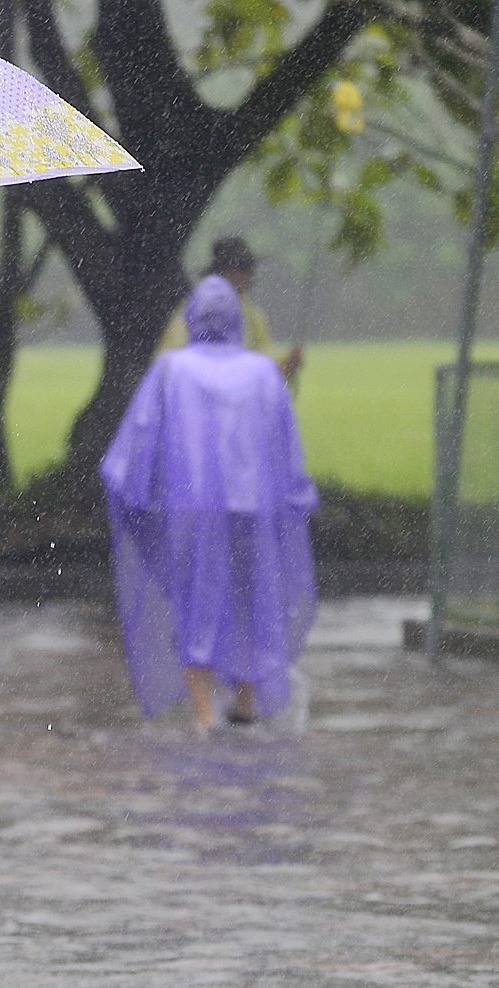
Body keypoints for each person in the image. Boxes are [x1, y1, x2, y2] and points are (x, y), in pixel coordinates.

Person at [101, 275, 319, 731]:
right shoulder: (262, 372)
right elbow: (286, 446)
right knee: (252, 598)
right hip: (253, 510)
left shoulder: (171, 370)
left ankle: (203, 717)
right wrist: (296, 498)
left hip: (191, 512)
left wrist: (136, 498)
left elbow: (135, 446)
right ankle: (245, 705)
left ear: (192, 318)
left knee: (194, 606)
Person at [159, 237, 304, 383]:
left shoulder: (253, 314)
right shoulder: (194, 309)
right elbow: (171, 361)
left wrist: (285, 366)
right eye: (243, 270)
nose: (250, 276)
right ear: (227, 272)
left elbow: (262, 361)